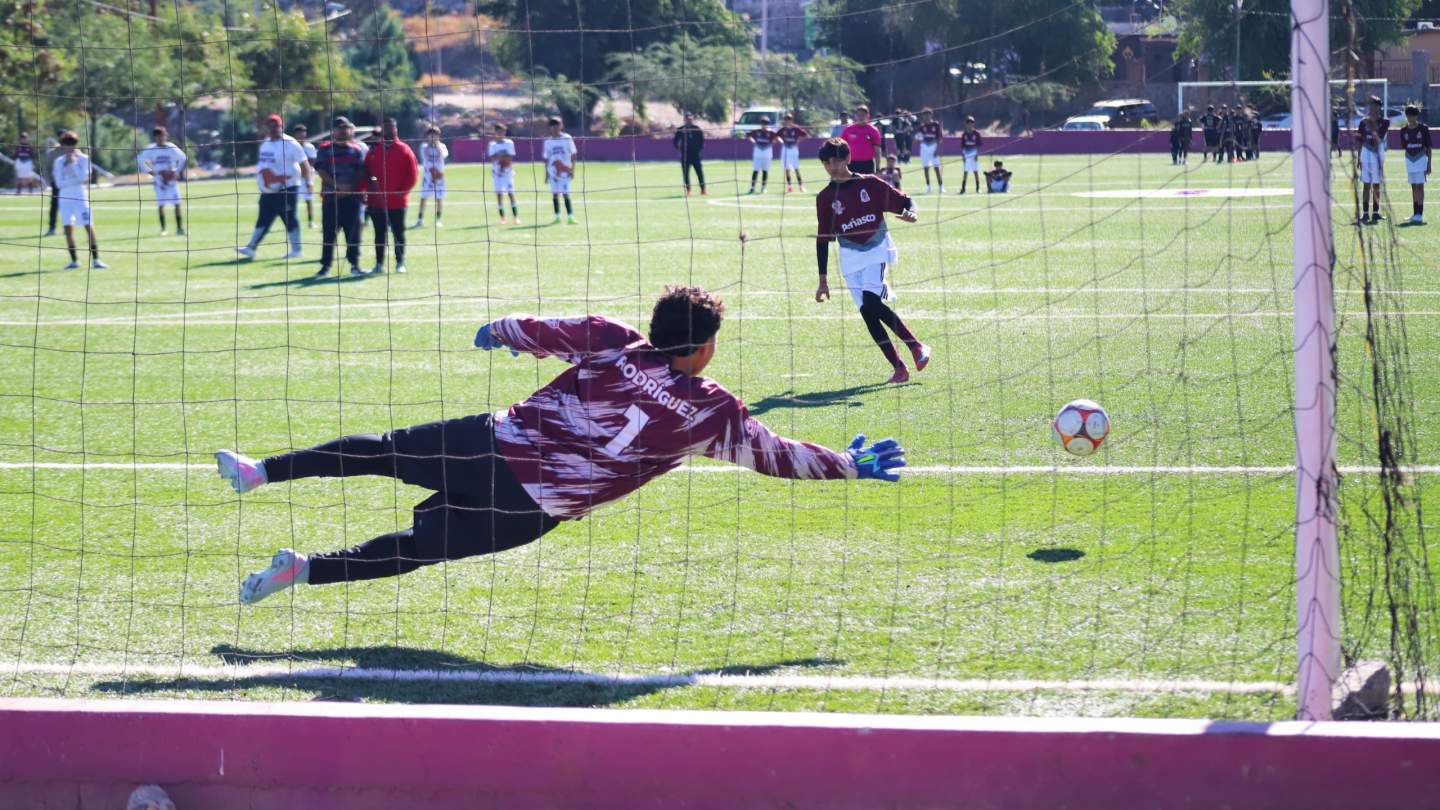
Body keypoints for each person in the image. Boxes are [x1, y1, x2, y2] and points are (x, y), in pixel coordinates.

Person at [218, 285, 908, 604]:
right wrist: (847, 465)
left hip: (490, 442)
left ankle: (261, 473)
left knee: (382, 452)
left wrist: (501, 328)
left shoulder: (615, 341)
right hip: (534, 505)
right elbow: (779, 455)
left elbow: (543, 328)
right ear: (701, 349)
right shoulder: (711, 412)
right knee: (413, 550)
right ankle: (302, 570)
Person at [813, 138, 930, 385]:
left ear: (848, 159)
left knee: (871, 302)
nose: (831, 166)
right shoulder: (824, 198)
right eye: (826, 162)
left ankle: (916, 346)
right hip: (849, 256)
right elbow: (823, 239)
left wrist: (911, 213)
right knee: (868, 312)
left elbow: (905, 201)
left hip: (877, 248)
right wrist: (823, 279)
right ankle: (899, 368)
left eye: (836, 160)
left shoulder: (871, 184)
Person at [237, 114, 309, 260]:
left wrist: (308, 183)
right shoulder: (266, 143)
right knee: (263, 218)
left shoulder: (291, 143)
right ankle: (251, 248)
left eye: (276, 125)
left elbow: (304, 164)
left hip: (287, 188)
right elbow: (264, 166)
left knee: (289, 217)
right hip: (268, 190)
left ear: (282, 126)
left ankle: (297, 250)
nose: (274, 128)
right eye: (270, 126)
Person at [311, 116, 369, 278]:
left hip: (352, 198)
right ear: (334, 131)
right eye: (340, 128)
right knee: (329, 234)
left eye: (346, 128)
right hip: (331, 199)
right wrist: (337, 186)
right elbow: (321, 170)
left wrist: (351, 188)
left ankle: (354, 265)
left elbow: (361, 171)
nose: (344, 131)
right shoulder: (324, 149)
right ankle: (325, 267)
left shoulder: (356, 149)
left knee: (353, 234)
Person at [362, 116, 419, 274]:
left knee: (398, 233)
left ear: (396, 129)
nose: (389, 130)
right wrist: (368, 189)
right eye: (386, 128)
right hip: (377, 201)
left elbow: (413, 174)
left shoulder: (404, 149)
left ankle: (400, 262)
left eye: (392, 127)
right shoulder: (374, 150)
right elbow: (367, 173)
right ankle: (379, 264)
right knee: (379, 234)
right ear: (382, 129)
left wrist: (403, 191)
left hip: (397, 202)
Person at [51, 130, 107, 270]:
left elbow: (84, 178)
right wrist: (73, 179)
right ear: (62, 146)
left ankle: (96, 260)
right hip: (64, 199)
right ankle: (74, 260)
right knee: (68, 228)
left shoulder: (83, 159)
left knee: (88, 226)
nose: (69, 148)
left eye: (71, 145)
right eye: (66, 145)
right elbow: (58, 183)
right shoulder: (58, 162)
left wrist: (74, 165)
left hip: (80, 198)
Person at [136, 126, 187, 236]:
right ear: (155, 137)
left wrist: (176, 172)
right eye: (158, 136)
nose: (161, 138)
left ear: (166, 135)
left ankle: (179, 228)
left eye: (163, 135)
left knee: (177, 203)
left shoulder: (171, 147)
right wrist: (151, 172)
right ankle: (163, 229)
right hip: (159, 180)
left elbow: (183, 158)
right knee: (161, 204)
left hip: (171, 180)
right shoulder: (151, 149)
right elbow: (140, 160)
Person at [1357, 96, 1390, 224]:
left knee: (1376, 185)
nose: (1371, 107)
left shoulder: (1385, 122)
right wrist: (1359, 158)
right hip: (1365, 155)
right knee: (1366, 185)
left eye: (1374, 105)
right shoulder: (1362, 122)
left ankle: (1375, 213)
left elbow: (1378, 136)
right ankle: (1365, 214)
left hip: (1377, 156)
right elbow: (1360, 140)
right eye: (1369, 105)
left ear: (1378, 107)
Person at [543, 116, 578, 224]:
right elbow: (547, 158)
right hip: (552, 172)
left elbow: (573, 154)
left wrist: (573, 169)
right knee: (555, 194)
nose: (555, 127)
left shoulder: (567, 138)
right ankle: (557, 216)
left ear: (561, 125)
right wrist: (546, 174)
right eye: (552, 125)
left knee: (566, 193)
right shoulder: (548, 142)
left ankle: (570, 217)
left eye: (557, 125)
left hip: (565, 171)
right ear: (550, 127)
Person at [1399, 104, 1430, 225]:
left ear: (1416, 115)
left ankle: (1420, 214)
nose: (1410, 118)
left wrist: (1429, 164)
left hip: (1421, 159)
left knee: (1420, 187)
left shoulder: (1423, 128)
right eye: (1408, 115)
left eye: (1413, 115)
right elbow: (1405, 146)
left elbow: (1428, 147)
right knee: (1413, 187)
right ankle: (1415, 213)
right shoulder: (1403, 130)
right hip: (1410, 160)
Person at [413, 126, 448, 229]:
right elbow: (424, 155)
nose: (433, 137)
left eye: (435, 135)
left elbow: (443, 155)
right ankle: (420, 220)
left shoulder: (442, 146)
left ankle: (438, 220)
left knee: (439, 199)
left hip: (439, 177)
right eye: (431, 135)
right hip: (428, 177)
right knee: (423, 198)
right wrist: (430, 145)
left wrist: (437, 146)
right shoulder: (423, 146)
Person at [488, 123, 520, 224]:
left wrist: (500, 157)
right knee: (499, 195)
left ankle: (515, 217)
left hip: (507, 172)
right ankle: (502, 218)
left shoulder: (509, 143)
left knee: (511, 193)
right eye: (499, 131)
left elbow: (510, 156)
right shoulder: (492, 145)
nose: (502, 133)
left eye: (503, 131)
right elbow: (493, 158)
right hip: (497, 173)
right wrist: (503, 157)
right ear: (495, 132)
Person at [840, 105, 883, 174]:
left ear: (868, 116)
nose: (861, 117)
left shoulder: (873, 130)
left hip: (867, 164)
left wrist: (877, 167)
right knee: (851, 184)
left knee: (866, 184)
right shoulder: (848, 129)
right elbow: (841, 148)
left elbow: (877, 150)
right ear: (855, 116)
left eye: (863, 115)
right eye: (859, 115)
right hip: (851, 164)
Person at [672, 112, 706, 195]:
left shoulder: (696, 128)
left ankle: (703, 189)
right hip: (685, 155)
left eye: (690, 118)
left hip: (695, 155)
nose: (688, 120)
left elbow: (702, 140)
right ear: (684, 119)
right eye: (687, 118)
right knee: (686, 174)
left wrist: (699, 149)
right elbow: (675, 141)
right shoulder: (681, 129)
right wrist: (679, 148)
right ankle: (688, 190)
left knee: (699, 172)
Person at [293, 124, 317, 229]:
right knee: (293, 200)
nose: (301, 135)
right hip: (294, 177)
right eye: (299, 133)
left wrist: (308, 177)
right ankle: (293, 222)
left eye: (303, 132)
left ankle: (310, 221)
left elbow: (311, 162)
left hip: (307, 176)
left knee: (308, 199)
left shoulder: (310, 147)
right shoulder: (292, 146)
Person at [777, 112, 809, 192]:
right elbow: (776, 136)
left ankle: (801, 186)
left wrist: (798, 141)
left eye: (789, 119)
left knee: (796, 168)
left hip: (793, 149)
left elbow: (805, 135)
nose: (788, 121)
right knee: (787, 169)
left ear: (792, 120)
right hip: (785, 149)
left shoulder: (796, 128)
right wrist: (781, 141)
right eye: (786, 120)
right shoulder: (783, 129)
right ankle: (789, 186)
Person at [916, 107, 944, 193]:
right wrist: (918, 139)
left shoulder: (936, 125)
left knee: (936, 168)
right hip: (924, 148)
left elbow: (940, 138)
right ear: (923, 116)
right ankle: (928, 187)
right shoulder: (921, 126)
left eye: (928, 114)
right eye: (925, 115)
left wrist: (937, 150)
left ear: (931, 115)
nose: (927, 116)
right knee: (926, 168)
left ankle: (941, 186)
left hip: (933, 147)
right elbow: (918, 139)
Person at [747, 115, 777, 194]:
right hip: (758, 153)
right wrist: (753, 141)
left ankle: (763, 188)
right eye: (763, 123)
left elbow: (777, 138)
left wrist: (775, 141)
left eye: (766, 123)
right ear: (761, 123)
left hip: (767, 153)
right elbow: (749, 136)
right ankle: (752, 187)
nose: (764, 125)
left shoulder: (771, 132)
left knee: (765, 171)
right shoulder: (757, 131)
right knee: (756, 170)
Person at [42, 133, 62, 236]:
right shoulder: (53, 153)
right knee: (54, 206)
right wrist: (49, 181)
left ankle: (68, 227)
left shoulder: (73, 151)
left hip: (70, 185)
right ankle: (52, 228)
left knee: (69, 206)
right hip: (56, 184)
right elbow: (47, 168)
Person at [958, 116, 982, 193]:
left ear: (973, 124)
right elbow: (962, 147)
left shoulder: (977, 134)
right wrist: (963, 156)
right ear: (966, 124)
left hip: (974, 154)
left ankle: (978, 188)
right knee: (965, 172)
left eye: (971, 123)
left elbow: (978, 145)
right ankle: (963, 188)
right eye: (968, 123)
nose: (970, 125)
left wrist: (976, 155)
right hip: (967, 154)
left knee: (975, 171)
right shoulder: (964, 134)